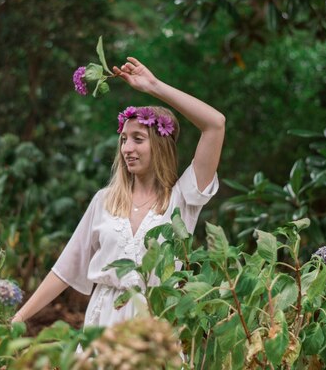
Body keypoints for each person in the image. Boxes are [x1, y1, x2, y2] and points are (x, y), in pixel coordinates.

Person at [12, 57, 225, 328]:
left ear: (161, 146)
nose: (127, 148)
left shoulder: (183, 199)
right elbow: (65, 269)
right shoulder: (105, 200)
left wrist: (154, 86)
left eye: (138, 139)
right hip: (102, 325)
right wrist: (17, 319)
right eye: (124, 139)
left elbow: (215, 124)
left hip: (155, 326)